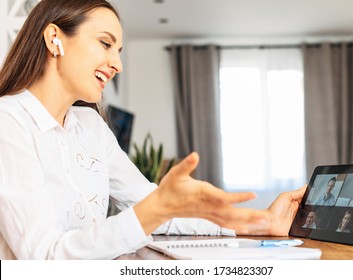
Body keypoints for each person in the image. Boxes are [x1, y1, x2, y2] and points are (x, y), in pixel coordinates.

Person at [0, 0, 305, 260]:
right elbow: (43, 256)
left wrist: (264, 222)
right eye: (105, 44)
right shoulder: (8, 121)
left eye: (119, 51)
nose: (117, 64)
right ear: (55, 38)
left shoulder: (91, 126)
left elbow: (153, 205)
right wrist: (153, 210)